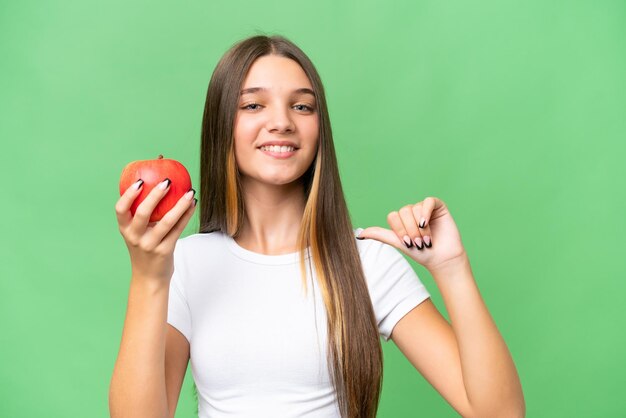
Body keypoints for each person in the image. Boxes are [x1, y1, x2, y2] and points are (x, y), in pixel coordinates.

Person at [109, 35, 525, 418]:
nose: (282, 122)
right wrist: (148, 277)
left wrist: (451, 267)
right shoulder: (186, 263)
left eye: (302, 105)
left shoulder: (367, 263)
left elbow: (500, 413)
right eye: (253, 105)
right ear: (223, 126)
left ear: (318, 127)